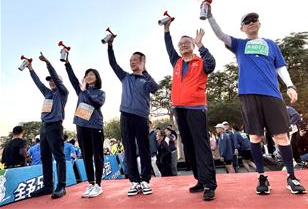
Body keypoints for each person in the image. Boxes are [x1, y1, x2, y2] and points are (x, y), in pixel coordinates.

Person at [204, 2, 307, 194]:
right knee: (255, 137)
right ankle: (262, 177)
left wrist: (290, 86)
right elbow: (220, 35)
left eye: (254, 20)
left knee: (281, 136)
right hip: (248, 95)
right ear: (242, 28)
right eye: (247, 21)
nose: (252, 23)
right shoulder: (239, 44)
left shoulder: (270, 44)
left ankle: (291, 177)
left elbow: (280, 67)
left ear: (259, 24)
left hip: (272, 95)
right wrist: (210, 15)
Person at [163, 20, 217, 201]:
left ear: (192, 45)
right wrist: (166, 29)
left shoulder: (201, 62)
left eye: (187, 43)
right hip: (179, 109)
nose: (183, 46)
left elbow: (212, 63)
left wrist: (201, 44)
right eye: (181, 44)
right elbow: (168, 47)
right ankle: (200, 180)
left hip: (196, 109)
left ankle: (209, 184)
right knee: (189, 146)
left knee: (201, 146)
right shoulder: (177, 62)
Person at [106, 36, 158, 196]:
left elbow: (155, 88)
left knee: (144, 149)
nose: (132, 62)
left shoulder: (146, 79)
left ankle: (145, 180)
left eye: (135, 60)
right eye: (131, 60)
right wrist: (110, 46)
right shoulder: (125, 77)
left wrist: (145, 71)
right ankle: (134, 181)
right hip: (126, 116)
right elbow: (113, 64)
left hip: (141, 117)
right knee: (129, 149)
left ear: (142, 62)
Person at [27, 53, 68, 199]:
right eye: (49, 81)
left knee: (59, 156)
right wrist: (30, 68)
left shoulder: (63, 93)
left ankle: (61, 186)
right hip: (44, 127)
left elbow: (56, 78)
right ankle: (47, 185)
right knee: (45, 157)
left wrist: (47, 63)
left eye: (53, 80)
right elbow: (38, 82)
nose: (51, 82)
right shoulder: (47, 94)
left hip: (55, 126)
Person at [64, 54, 105, 198]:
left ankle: (99, 185)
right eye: (87, 74)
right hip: (81, 125)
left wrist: (85, 90)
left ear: (97, 77)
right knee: (86, 156)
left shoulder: (100, 92)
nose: (89, 76)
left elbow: (96, 103)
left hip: (95, 126)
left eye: (92, 74)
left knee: (97, 156)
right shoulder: (80, 89)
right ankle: (91, 183)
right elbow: (72, 78)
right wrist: (67, 63)